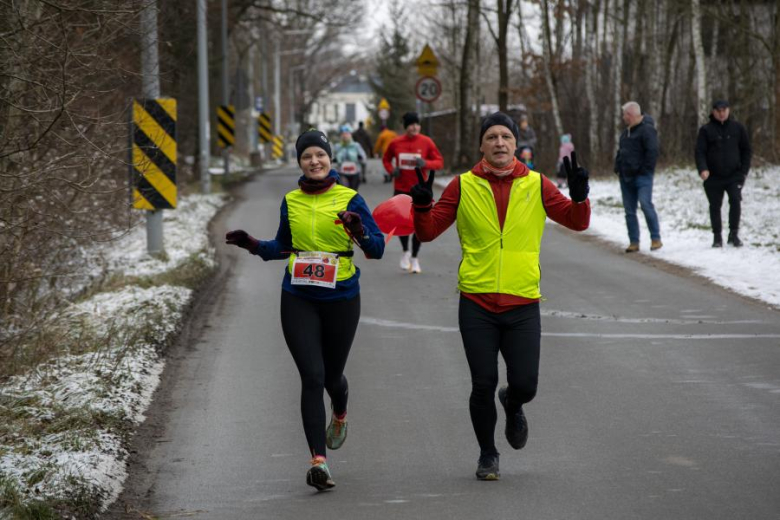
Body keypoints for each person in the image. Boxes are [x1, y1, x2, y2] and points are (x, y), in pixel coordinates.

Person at [410, 112, 590, 481]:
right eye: (491, 136)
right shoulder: (462, 185)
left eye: (505, 136)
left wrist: (580, 197)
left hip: (523, 301)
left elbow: (577, 221)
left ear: (516, 143)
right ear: (481, 145)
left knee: (526, 384)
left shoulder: (537, 185)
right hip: (476, 301)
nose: (499, 143)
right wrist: (423, 205)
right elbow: (427, 234)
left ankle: (514, 402)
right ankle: (488, 454)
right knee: (482, 383)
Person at [225, 129, 385, 491]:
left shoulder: (351, 198)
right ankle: (319, 462)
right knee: (312, 376)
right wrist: (252, 244)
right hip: (297, 295)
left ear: (330, 159)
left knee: (332, 378)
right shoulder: (291, 201)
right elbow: (283, 246)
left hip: (342, 297)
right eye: (307, 156)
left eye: (320, 155)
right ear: (300, 162)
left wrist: (358, 230)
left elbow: (376, 250)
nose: (315, 161)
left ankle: (340, 411)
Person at [382, 111, 444, 273]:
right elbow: (386, 159)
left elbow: (439, 162)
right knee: (402, 222)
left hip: (421, 190)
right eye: (411, 124)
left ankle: (415, 258)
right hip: (401, 188)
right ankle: (405, 252)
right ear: (405, 127)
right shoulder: (396, 143)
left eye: (417, 124)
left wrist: (426, 163)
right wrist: (391, 170)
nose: (414, 127)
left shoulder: (426, 142)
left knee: (419, 224)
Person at [694, 100, 752, 248]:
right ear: (713, 111)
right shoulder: (706, 130)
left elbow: (746, 150)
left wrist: (743, 172)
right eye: (719, 110)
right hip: (713, 176)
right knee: (715, 205)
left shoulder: (737, 128)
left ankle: (733, 234)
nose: (721, 113)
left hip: (734, 175)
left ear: (729, 110)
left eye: (724, 110)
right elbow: (699, 152)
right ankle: (717, 236)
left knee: (735, 200)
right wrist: (702, 169)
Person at [614, 101, 661, 253]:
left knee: (645, 204)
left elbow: (652, 152)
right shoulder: (625, 133)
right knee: (629, 211)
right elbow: (620, 152)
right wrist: (618, 167)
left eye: (624, 115)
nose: (623, 118)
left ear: (630, 115)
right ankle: (634, 241)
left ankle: (655, 238)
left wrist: (645, 170)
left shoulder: (647, 130)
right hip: (625, 177)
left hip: (642, 176)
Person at [334, 124, 367, 191]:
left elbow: (364, 158)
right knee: (345, 191)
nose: (344, 135)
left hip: (355, 172)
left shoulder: (356, 146)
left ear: (350, 135)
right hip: (342, 172)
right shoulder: (337, 146)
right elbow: (331, 158)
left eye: (346, 133)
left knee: (353, 192)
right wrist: (334, 159)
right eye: (343, 134)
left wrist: (360, 158)